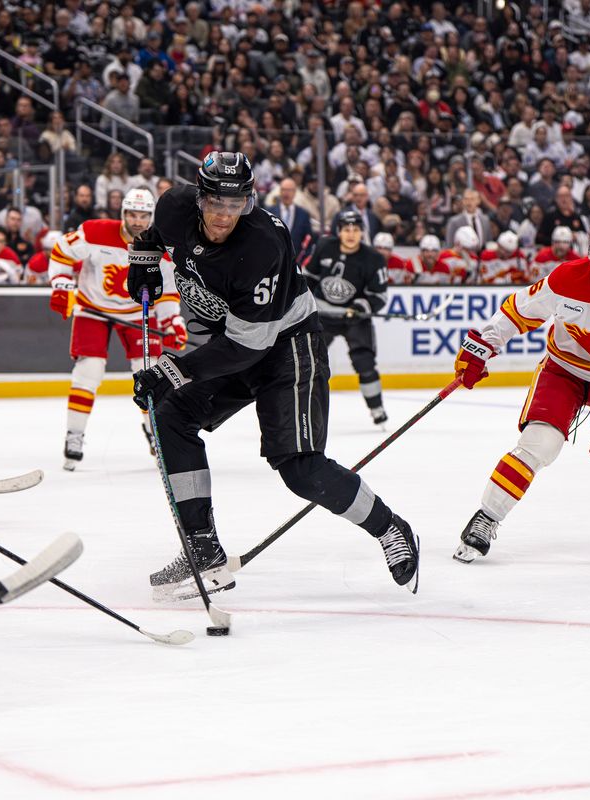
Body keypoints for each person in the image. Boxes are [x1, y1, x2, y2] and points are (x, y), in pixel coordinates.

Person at [125, 152, 419, 599]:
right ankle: (202, 547)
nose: (224, 216)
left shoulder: (262, 244)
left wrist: (174, 369)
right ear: (199, 198)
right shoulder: (173, 207)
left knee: (300, 468)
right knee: (171, 417)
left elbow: (250, 345)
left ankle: (390, 527)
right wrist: (144, 259)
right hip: (232, 341)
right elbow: (153, 238)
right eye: (216, 203)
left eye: (236, 205)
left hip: (286, 347)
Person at [451, 213, 590, 566]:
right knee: (541, 443)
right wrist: (482, 345)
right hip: (564, 372)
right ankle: (486, 518)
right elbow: (519, 311)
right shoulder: (569, 278)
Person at [49, 188, 184, 470]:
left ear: (151, 217)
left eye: (143, 215)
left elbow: (168, 291)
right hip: (93, 309)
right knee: (89, 370)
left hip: (136, 312)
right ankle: (74, 435)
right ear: (123, 213)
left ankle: (156, 433)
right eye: (132, 214)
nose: (137, 221)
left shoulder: (160, 245)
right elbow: (61, 251)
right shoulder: (95, 232)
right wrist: (61, 284)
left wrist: (172, 321)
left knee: (151, 373)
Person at [306, 210, 390, 427]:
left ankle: (377, 409)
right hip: (323, 315)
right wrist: (304, 301)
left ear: (362, 232)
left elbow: (379, 296)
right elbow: (309, 277)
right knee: (309, 360)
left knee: (365, 362)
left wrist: (359, 307)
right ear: (338, 231)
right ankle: (305, 407)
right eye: (346, 229)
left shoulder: (373, 259)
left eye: (355, 230)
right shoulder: (325, 246)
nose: (351, 234)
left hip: (354, 318)